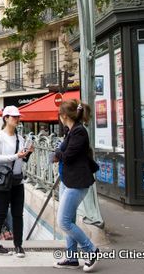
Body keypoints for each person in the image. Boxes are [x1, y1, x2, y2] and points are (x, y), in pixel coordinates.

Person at [52, 99, 100, 272]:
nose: (59, 117)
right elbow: (62, 150)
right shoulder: (71, 131)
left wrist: (58, 154)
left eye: (60, 114)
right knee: (69, 219)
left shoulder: (79, 132)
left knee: (63, 222)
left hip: (77, 182)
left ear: (64, 116)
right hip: (68, 180)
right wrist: (59, 153)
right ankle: (72, 258)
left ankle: (91, 250)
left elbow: (68, 155)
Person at [0, 105, 33, 258]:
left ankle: (18, 246)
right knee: (1, 212)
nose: (17, 119)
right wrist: (16, 156)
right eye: (14, 117)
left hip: (17, 180)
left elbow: (22, 160)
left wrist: (27, 154)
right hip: (2, 180)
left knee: (17, 214)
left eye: (18, 117)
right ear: (5, 118)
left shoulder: (20, 138)